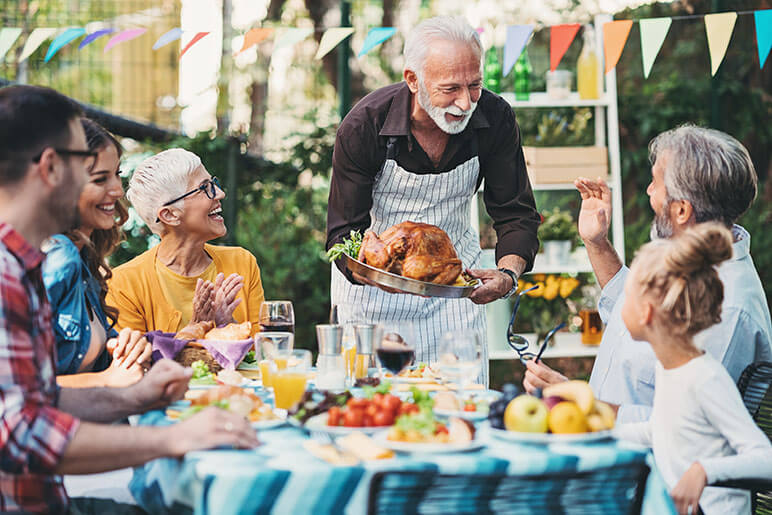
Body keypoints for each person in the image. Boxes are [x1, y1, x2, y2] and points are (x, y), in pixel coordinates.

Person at [0, 85, 258, 514]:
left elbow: (39, 398)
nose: (113, 191)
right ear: (50, 168)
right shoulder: (6, 274)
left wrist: (135, 398)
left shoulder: (22, 265)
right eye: (89, 168)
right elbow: (20, 433)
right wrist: (171, 438)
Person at [326, 16, 540, 384]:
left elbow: (515, 213)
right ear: (413, 80)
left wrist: (507, 275)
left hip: (455, 291)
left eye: (474, 85)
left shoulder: (495, 117)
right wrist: (378, 272)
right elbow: (343, 233)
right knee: (375, 413)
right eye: (450, 88)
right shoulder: (364, 126)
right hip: (373, 296)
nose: (465, 102)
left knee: (460, 409)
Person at [523, 126, 772, 422]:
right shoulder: (693, 256)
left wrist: (580, 402)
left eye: (655, 183)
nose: (648, 191)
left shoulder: (728, 310)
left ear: (682, 211)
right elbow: (633, 312)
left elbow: (689, 426)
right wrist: (596, 242)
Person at [615, 223, 772, 515]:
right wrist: (603, 433)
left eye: (627, 295)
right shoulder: (671, 368)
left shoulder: (704, 378)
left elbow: (766, 459)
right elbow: (667, 430)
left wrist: (703, 470)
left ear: (646, 312)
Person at [106, 148, 265, 336]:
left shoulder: (242, 263)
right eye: (205, 188)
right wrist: (195, 329)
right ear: (170, 214)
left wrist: (228, 325)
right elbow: (136, 363)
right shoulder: (124, 284)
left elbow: (266, 354)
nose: (220, 194)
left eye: (214, 183)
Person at [42, 118, 151, 388]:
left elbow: (100, 357)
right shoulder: (58, 256)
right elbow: (15, 390)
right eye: (100, 178)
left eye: (117, 174)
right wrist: (107, 379)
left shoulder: (84, 261)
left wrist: (127, 347)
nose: (117, 189)